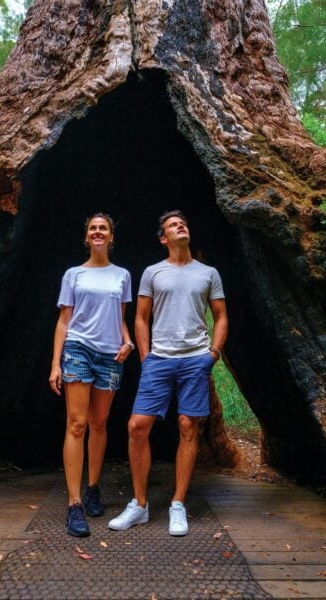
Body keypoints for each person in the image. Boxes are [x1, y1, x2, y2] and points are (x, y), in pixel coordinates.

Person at [108, 210, 228, 536]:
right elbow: (141, 317)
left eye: (183, 223)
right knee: (137, 426)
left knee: (188, 426)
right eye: (173, 225)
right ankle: (140, 505)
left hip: (195, 359)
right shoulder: (153, 272)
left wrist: (213, 354)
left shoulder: (208, 273)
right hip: (159, 359)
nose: (181, 226)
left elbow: (221, 316)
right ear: (164, 238)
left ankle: (178, 504)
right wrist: (146, 357)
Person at [49, 213, 135, 537]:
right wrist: (55, 364)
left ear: (111, 237)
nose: (98, 232)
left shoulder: (122, 275)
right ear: (86, 237)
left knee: (99, 423)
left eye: (103, 228)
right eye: (93, 228)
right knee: (77, 423)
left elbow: (120, 317)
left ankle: (93, 488)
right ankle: (74, 505)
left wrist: (128, 342)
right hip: (78, 349)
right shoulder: (73, 274)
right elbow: (63, 321)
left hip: (110, 354)